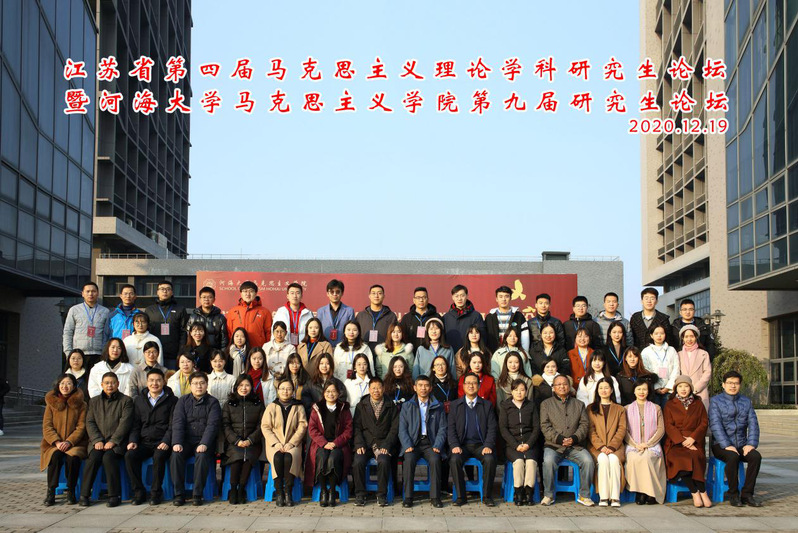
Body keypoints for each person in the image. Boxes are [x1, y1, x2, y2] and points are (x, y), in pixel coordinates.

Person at [539, 374, 595, 507]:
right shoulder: (546, 404)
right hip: (554, 446)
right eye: (558, 384)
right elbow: (545, 426)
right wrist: (559, 439)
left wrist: (574, 438)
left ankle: (584, 495)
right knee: (548, 462)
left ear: (569, 387)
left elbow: (584, 425)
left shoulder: (579, 404)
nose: (562, 387)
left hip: (574, 446)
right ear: (553, 387)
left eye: (564, 384)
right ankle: (548, 495)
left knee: (588, 461)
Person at [709, 371, 763, 507]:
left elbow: (753, 424)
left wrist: (751, 444)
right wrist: (727, 445)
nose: (733, 386)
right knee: (732, 457)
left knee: (756, 457)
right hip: (720, 445)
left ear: (740, 385)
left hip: (742, 444)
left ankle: (747, 494)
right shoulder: (715, 401)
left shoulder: (746, 402)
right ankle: (733, 494)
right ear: (723, 385)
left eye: (736, 383)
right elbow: (715, 425)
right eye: (730, 383)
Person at [79, 372, 134, 507]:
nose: (110, 385)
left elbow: (125, 423)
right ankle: (84, 495)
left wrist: (113, 441)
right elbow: (90, 422)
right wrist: (97, 440)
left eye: (113, 383)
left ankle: (114, 495)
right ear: (102, 385)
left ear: (118, 384)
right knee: (93, 459)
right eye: (107, 383)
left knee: (108, 458)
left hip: (117, 443)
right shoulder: (94, 401)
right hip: (97, 442)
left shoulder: (126, 401)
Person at [125, 368, 178, 505]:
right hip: (144, 442)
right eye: (151, 380)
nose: (155, 383)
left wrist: (166, 441)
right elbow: (135, 425)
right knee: (130, 455)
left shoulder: (172, 400)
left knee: (159, 456)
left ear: (164, 382)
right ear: (146, 382)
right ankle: (139, 492)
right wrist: (133, 441)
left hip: (162, 442)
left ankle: (156, 493)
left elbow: (173, 425)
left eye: (158, 380)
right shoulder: (139, 400)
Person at [170, 371, 222, 506]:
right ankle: (179, 494)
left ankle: (197, 494)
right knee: (175, 455)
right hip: (186, 441)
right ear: (190, 385)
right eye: (195, 383)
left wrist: (204, 443)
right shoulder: (182, 401)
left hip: (204, 442)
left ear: (207, 385)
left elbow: (212, 425)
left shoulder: (213, 402)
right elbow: (178, 423)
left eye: (202, 383)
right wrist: (177, 442)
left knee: (202, 456)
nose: (199, 386)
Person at [448, 371, 498, 506]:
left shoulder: (487, 405)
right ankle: (461, 496)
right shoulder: (455, 405)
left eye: (474, 383)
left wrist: (488, 445)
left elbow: (492, 428)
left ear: (479, 386)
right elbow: (451, 428)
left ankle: (487, 496)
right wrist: (454, 445)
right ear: (463, 386)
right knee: (454, 459)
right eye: (468, 383)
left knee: (489, 459)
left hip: (481, 445)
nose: (471, 386)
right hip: (462, 445)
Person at [399, 375, 447, 508]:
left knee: (435, 459)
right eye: (420, 385)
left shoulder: (438, 406)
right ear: (415, 388)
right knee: (408, 460)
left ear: (430, 388)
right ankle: (408, 497)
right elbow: (402, 429)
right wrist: (407, 445)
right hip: (413, 443)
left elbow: (443, 428)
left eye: (426, 385)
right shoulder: (407, 406)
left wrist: (437, 445)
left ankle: (435, 497)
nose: (423, 388)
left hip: (430, 443)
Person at [663, 375, 711, 508]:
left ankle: (703, 491)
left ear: (691, 388)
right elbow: (668, 425)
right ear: (675, 388)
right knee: (680, 460)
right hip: (675, 443)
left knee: (696, 457)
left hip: (694, 441)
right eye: (680, 386)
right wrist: (681, 440)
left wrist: (693, 438)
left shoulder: (698, 403)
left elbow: (703, 423)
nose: (683, 389)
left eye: (686, 386)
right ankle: (695, 492)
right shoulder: (670, 404)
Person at [41, 374, 88, 506]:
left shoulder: (82, 404)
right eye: (62, 383)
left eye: (68, 383)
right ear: (58, 385)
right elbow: (47, 426)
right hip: (54, 444)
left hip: (75, 444)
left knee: (72, 458)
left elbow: (81, 427)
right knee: (55, 456)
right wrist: (57, 442)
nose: (65, 386)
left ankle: (71, 490)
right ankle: (51, 491)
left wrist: (69, 442)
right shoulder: (51, 404)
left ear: (74, 386)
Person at [352, 377, 400, 507]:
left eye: (379, 388)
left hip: (384, 443)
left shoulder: (391, 406)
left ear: (383, 389)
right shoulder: (361, 406)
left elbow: (394, 429)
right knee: (358, 461)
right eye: (373, 388)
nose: (376, 391)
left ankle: (381, 495)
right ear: (369, 389)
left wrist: (387, 445)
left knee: (384, 461)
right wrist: (359, 444)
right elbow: (356, 427)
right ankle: (360, 494)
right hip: (366, 444)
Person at [306, 381, 353, 507]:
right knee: (321, 457)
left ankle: (332, 491)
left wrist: (336, 443)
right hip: (321, 444)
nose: (330, 394)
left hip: (339, 444)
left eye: (333, 391)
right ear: (323, 393)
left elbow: (348, 430)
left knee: (333, 458)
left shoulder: (344, 408)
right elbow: (312, 429)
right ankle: (323, 491)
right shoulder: (317, 408)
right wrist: (324, 443)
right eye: (327, 391)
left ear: (338, 393)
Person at [262, 379, 308, 507]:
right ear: (278, 391)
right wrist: (276, 443)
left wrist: (292, 443)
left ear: (293, 391)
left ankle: (288, 492)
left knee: (289, 457)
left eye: (288, 389)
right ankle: (279, 492)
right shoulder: (271, 406)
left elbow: (302, 426)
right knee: (277, 457)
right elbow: (265, 427)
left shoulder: (298, 407)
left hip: (293, 444)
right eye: (282, 388)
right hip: (274, 444)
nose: (285, 391)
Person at [223, 375, 265, 505]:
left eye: (247, 385)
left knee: (247, 459)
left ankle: (241, 489)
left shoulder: (258, 404)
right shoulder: (229, 404)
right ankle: (233, 489)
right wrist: (236, 441)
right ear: (236, 387)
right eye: (241, 385)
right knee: (237, 458)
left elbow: (262, 425)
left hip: (253, 443)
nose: (244, 388)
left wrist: (250, 440)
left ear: (252, 387)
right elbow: (225, 425)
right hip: (233, 443)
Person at [498, 379, 540, 506]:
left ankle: (529, 492)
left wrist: (528, 444)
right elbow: (503, 429)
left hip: (530, 444)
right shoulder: (505, 406)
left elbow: (536, 428)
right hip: (512, 445)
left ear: (526, 391)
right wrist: (515, 445)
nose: (519, 393)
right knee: (519, 462)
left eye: (522, 390)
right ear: (511, 392)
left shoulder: (531, 406)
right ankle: (518, 492)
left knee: (531, 462)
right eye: (516, 390)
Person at [624, 380, 666, 504]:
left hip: (652, 444)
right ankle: (640, 492)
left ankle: (650, 493)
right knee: (634, 458)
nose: (641, 392)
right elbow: (624, 430)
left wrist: (648, 444)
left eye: (644, 389)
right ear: (634, 391)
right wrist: (635, 444)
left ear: (648, 391)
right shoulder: (626, 409)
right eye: (639, 389)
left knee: (647, 457)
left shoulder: (656, 408)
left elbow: (661, 429)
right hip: (633, 444)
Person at [587, 377, 627, 507]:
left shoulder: (619, 409)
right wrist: (601, 446)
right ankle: (603, 496)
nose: (603, 390)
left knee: (614, 460)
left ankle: (615, 497)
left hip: (616, 446)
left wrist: (612, 446)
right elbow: (590, 430)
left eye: (606, 387)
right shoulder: (591, 408)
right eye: (601, 388)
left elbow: (622, 429)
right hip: (596, 447)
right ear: (597, 390)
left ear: (612, 390)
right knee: (603, 459)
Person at [62, 281, 110, 371]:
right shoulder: (74, 310)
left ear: (98, 293)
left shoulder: (105, 311)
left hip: (98, 354)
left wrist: (105, 352)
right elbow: (68, 332)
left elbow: (107, 334)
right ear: (82, 294)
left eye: (93, 291)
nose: (90, 294)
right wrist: (68, 352)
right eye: (88, 291)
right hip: (79, 354)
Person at [144, 280, 188, 366]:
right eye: (162, 289)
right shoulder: (149, 310)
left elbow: (184, 331)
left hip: (174, 354)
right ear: (157, 292)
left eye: (168, 289)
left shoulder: (180, 309)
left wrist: (181, 350)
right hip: (154, 354)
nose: (165, 291)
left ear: (172, 292)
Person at [640, 324, 680, 409]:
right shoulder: (646, 352)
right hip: (653, 390)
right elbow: (645, 370)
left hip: (669, 390)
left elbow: (676, 369)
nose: (659, 336)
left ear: (665, 335)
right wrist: (656, 387)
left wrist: (668, 386)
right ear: (651, 335)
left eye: (662, 333)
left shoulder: (671, 350)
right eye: (656, 333)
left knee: (668, 413)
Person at [226, 281, 272, 349]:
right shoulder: (232, 311)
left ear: (256, 293)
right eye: (245, 291)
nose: (248, 294)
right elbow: (229, 332)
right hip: (237, 350)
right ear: (241, 293)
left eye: (251, 291)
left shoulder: (265, 312)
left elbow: (268, 333)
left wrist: (267, 349)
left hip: (257, 350)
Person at [442, 284, 486, 355]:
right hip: (450, 355)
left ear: (467, 296)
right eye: (456, 296)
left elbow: (482, 337)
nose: (459, 299)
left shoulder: (476, 316)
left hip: (471, 356)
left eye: (462, 295)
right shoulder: (446, 317)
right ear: (452, 297)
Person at [485, 286, 529, 353]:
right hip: (496, 354)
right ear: (496, 299)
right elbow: (485, 338)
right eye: (500, 297)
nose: (504, 299)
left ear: (510, 298)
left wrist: (524, 353)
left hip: (515, 354)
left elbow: (525, 337)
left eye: (506, 296)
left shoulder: (519, 316)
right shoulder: (489, 317)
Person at [355, 284, 398, 352]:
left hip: (384, 352)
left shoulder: (391, 316)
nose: (376, 296)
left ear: (383, 296)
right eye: (373, 293)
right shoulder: (361, 315)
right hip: (364, 352)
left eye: (379, 293)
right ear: (369, 296)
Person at [677, 325, 711, 409]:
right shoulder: (678, 355)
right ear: (682, 338)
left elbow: (707, 372)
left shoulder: (703, 354)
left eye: (692, 336)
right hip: (683, 392)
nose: (689, 339)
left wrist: (696, 388)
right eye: (686, 337)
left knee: (700, 413)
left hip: (700, 391)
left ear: (696, 337)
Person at [186, 286, 228, 352]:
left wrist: (222, 354)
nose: (206, 299)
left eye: (210, 297)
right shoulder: (193, 317)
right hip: (197, 352)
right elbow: (188, 335)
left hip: (214, 352)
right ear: (200, 299)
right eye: (204, 297)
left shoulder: (220, 318)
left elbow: (224, 340)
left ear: (214, 299)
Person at [316, 279, 355, 348]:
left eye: (337, 292)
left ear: (342, 293)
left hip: (343, 347)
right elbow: (318, 332)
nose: (335, 294)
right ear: (327, 294)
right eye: (332, 292)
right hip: (324, 347)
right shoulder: (320, 311)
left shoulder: (349, 311)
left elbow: (352, 331)